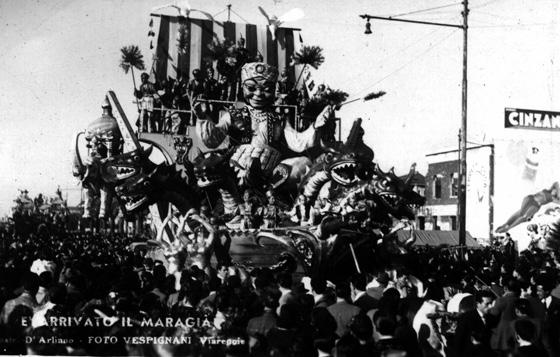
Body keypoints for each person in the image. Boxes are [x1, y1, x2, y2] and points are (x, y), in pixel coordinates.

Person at [195, 62, 331, 188]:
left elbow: (297, 143)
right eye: (251, 88)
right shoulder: (233, 114)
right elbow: (212, 140)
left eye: (266, 88)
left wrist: (315, 126)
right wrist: (202, 118)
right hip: (237, 171)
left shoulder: (279, 118)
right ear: (243, 87)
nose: (258, 94)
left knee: (304, 162)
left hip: (271, 175)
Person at [496, 182, 560, 233]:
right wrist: (558, 193)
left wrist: (557, 196)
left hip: (534, 205)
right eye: (555, 190)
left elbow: (558, 200)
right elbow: (556, 183)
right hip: (530, 199)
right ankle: (506, 225)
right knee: (521, 214)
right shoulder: (549, 190)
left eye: (555, 192)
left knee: (523, 216)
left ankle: (507, 227)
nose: (555, 191)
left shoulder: (552, 198)